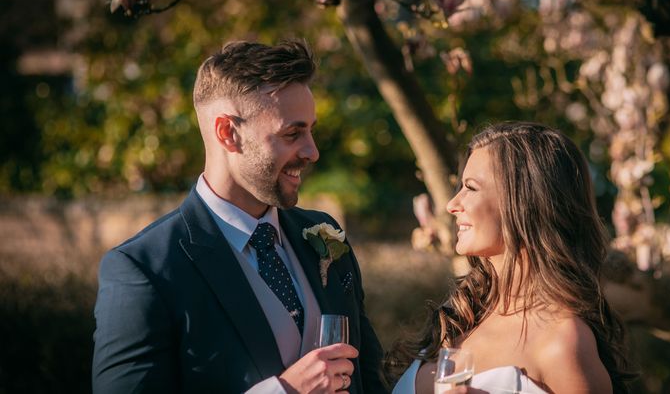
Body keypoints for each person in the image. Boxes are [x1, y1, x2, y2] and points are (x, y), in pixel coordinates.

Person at [92, 40, 387, 394]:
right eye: (292, 133)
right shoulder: (144, 270)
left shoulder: (323, 235)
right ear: (227, 133)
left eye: (311, 130)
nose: (313, 151)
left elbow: (371, 381)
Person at [388, 122, 634, 394]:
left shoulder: (562, 342)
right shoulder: (456, 317)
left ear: (524, 201)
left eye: (470, 187)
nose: (452, 204)